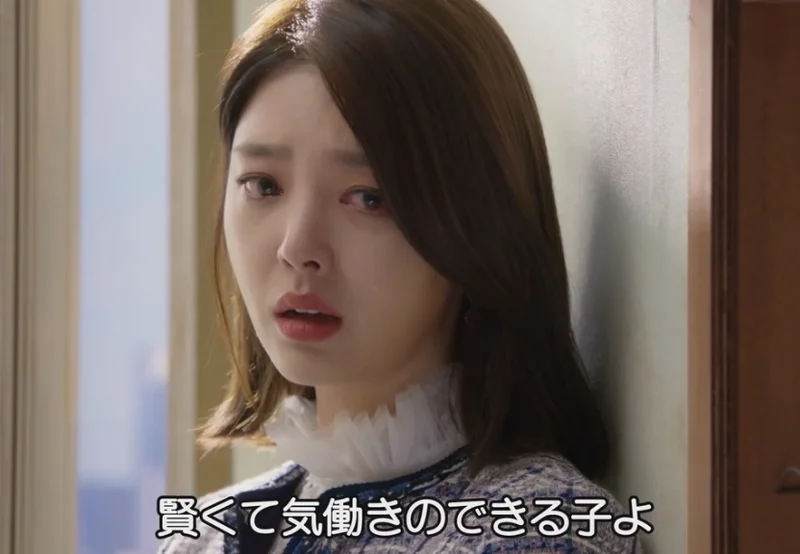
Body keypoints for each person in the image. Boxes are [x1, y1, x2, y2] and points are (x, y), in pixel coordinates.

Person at [159, 0, 647, 552]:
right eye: (263, 185)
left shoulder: (537, 530)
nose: (297, 248)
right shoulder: (206, 536)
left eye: (369, 197)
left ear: (478, 223)